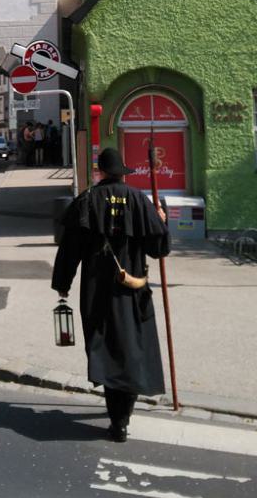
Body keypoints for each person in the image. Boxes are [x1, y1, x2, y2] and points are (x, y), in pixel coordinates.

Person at [52, 146, 170, 442]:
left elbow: (69, 250)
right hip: (133, 291)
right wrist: (162, 221)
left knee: (106, 349)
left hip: (97, 290)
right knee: (130, 349)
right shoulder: (139, 200)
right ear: (122, 173)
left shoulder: (87, 200)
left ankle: (116, 417)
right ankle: (123, 417)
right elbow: (159, 249)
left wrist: (62, 283)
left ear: (100, 172)